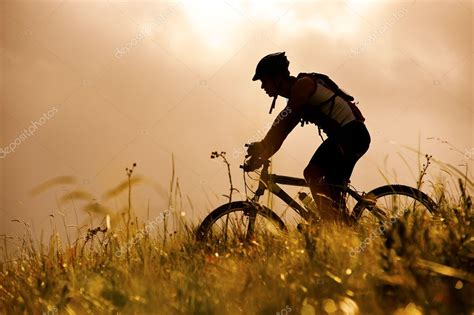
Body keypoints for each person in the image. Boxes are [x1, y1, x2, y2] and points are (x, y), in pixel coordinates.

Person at [244, 52, 371, 224]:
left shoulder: (302, 86)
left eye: (264, 81)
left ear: (277, 77)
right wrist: (262, 155)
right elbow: (283, 131)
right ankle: (343, 228)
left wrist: (263, 145)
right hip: (348, 136)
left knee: (312, 173)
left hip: (351, 135)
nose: (262, 87)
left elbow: (285, 123)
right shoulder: (296, 94)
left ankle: (331, 225)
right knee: (331, 188)